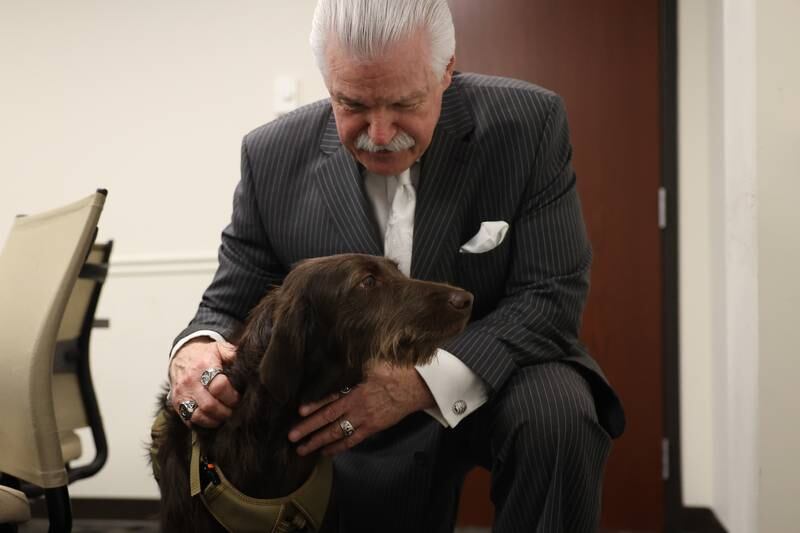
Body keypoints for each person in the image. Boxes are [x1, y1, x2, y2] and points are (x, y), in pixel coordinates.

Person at [166, 1, 625, 531]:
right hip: (335, 415)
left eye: (405, 103)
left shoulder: (529, 125)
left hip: (484, 377)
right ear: (327, 81)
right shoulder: (270, 154)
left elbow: (550, 296)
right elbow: (227, 300)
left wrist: (421, 382)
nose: (379, 134)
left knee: (559, 414)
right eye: (353, 104)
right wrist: (194, 349)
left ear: (447, 69)